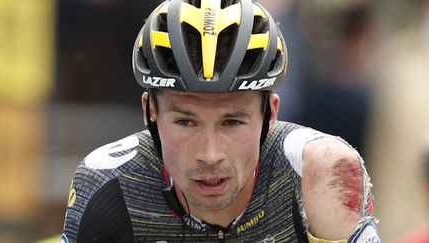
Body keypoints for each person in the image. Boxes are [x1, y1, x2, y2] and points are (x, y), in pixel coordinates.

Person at [61, 0, 380, 242]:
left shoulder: (321, 174)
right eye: (185, 122)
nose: (210, 154)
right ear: (149, 113)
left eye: (232, 122)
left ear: (271, 114)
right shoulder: (108, 184)